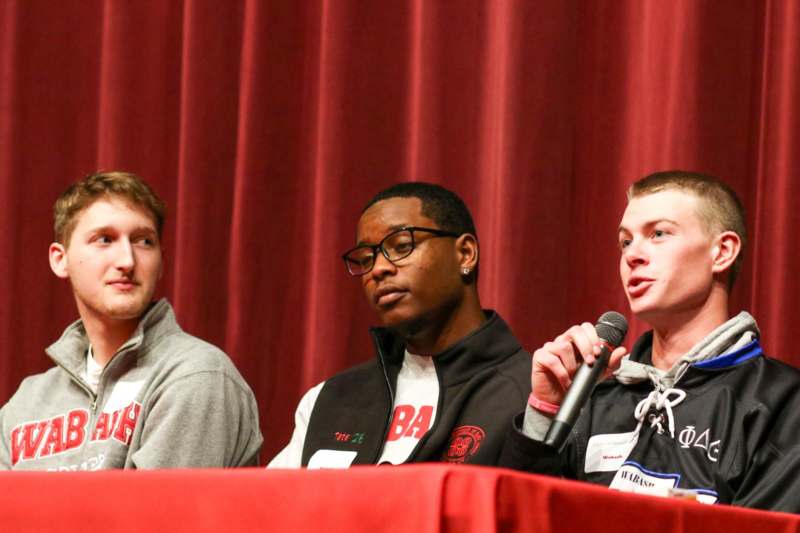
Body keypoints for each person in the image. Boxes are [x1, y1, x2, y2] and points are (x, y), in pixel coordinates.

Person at [501, 170, 800, 512]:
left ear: (722, 252)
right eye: (625, 241)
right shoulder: (594, 398)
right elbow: (517, 516)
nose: (632, 256)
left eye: (658, 234)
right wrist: (545, 410)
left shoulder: (783, 405)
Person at [0, 171, 263, 470]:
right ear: (60, 259)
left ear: (161, 261)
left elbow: (155, 516)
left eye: (144, 241)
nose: (127, 260)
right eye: (104, 239)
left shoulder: (195, 375)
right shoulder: (26, 403)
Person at [269, 182, 531, 468]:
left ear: (465, 254)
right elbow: (272, 505)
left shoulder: (533, 393)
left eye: (402, 246)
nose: (379, 269)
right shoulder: (326, 400)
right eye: (366, 259)